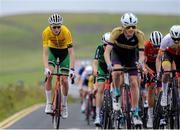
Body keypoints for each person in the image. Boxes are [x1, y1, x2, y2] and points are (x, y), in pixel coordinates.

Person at [104, 12, 145, 125]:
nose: (131, 29)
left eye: (133, 27)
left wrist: (140, 63)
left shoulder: (139, 35)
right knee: (117, 71)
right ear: (123, 27)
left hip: (131, 56)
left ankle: (135, 111)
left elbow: (142, 55)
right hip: (117, 55)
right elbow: (107, 52)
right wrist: (108, 64)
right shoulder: (116, 32)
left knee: (134, 82)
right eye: (128, 27)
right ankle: (116, 91)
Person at [42, 13, 75, 119]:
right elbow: (45, 53)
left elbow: (71, 53)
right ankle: (48, 103)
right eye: (54, 27)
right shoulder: (46, 32)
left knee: (65, 80)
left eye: (58, 26)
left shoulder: (66, 32)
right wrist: (46, 67)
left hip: (64, 53)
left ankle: (64, 106)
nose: (56, 29)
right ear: (50, 26)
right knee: (49, 75)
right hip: (52, 51)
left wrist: (72, 69)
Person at [156, 25, 180, 107]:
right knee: (166, 72)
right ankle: (164, 94)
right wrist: (159, 71)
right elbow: (159, 58)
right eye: (174, 39)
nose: (176, 41)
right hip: (169, 54)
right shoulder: (166, 39)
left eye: (178, 39)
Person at [144, 31, 163, 128]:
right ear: (151, 42)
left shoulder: (164, 45)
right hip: (149, 66)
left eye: (158, 46)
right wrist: (149, 71)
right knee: (151, 87)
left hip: (160, 64)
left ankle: (162, 112)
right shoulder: (146, 46)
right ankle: (150, 115)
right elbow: (143, 62)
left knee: (161, 89)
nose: (157, 48)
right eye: (155, 46)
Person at [93, 32, 110, 126]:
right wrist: (95, 71)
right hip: (102, 68)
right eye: (105, 45)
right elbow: (95, 62)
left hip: (112, 67)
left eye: (108, 45)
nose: (106, 47)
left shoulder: (114, 49)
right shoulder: (99, 48)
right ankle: (98, 115)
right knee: (100, 88)